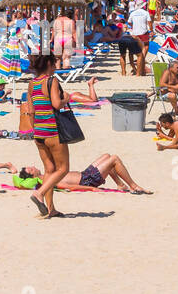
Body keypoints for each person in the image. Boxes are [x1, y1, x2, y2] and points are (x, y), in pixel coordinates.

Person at [27, 52, 69, 217]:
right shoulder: (51, 81)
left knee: (49, 169)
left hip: (38, 132)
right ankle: (39, 193)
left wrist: (35, 129)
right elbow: (57, 104)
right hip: (52, 130)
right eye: (54, 63)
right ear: (49, 64)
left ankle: (50, 209)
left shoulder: (32, 83)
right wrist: (66, 98)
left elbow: (30, 111)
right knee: (63, 168)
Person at [18, 153, 151, 194]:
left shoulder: (47, 173)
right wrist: (91, 188)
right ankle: (133, 185)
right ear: (32, 175)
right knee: (114, 159)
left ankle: (120, 184)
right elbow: (69, 187)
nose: (33, 167)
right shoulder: (47, 180)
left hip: (85, 174)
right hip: (88, 180)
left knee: (107, 156)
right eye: (31, 169)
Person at [128, 0, 151, 78]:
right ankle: (141, 66)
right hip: (143, 33)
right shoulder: (145, 13)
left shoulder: (133, 13)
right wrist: (151, 30)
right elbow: (149, 22)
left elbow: (129, 22)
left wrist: (133, 26)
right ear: (143, 5)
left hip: (135, 33)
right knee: (145, 47)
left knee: (137, 52)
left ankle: (141, 70)